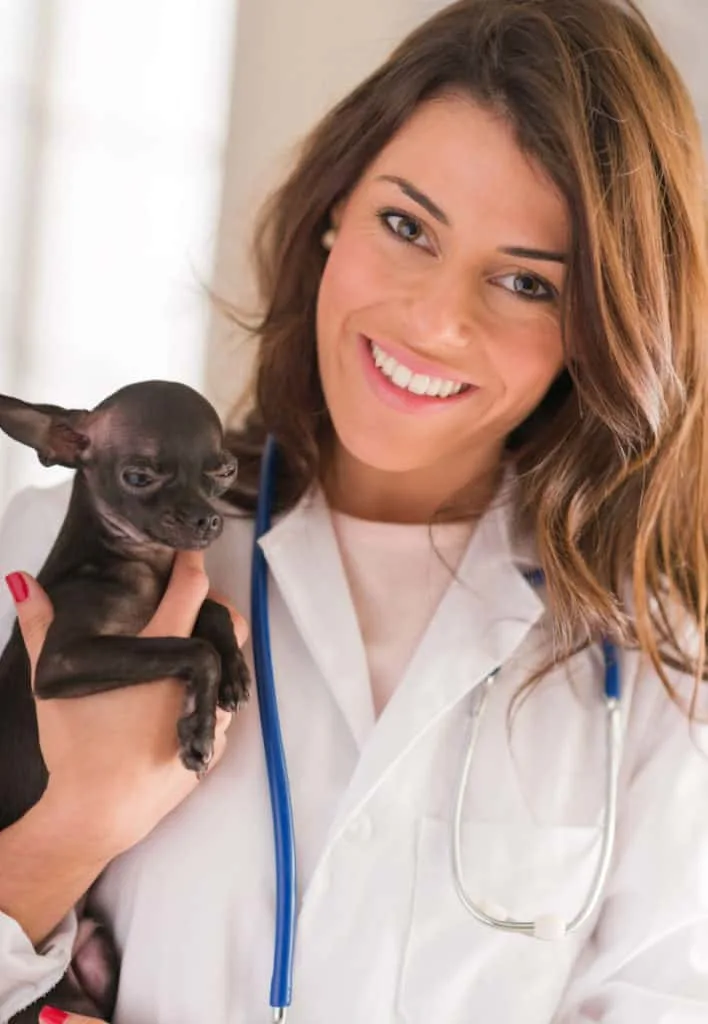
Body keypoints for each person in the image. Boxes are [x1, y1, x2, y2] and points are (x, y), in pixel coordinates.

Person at [1, 0, 708, 1021]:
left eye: (524, 281)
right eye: (405, 225)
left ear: (596, 331)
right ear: (334, 209)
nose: (434, 320)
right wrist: (70, 831)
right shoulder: (63, 557)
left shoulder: (650, 676)